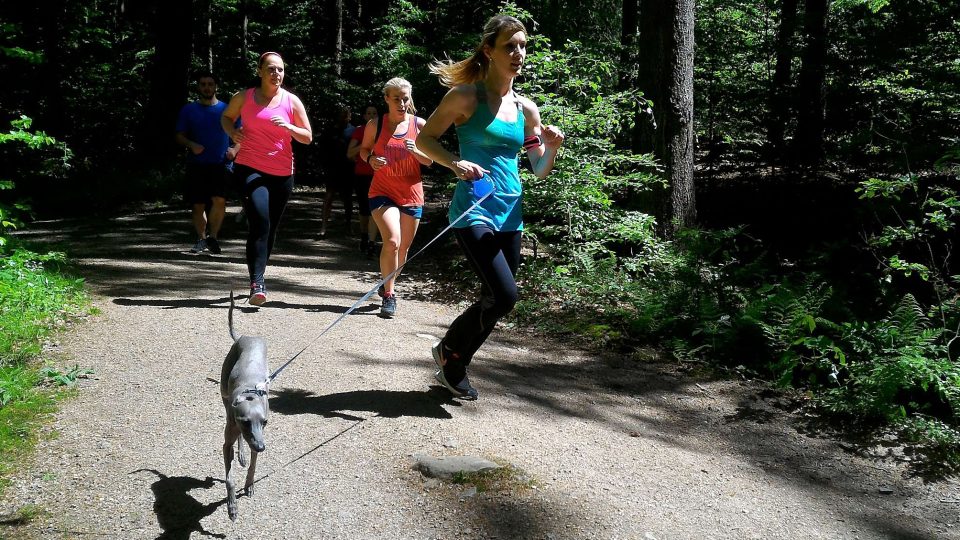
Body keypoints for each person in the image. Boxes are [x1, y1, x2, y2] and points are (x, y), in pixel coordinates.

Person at [417, 15, 565, 400]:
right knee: (504, 296)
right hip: (473, 211)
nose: (518, 54)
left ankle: (450, 355)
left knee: (495, 298)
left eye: (523, 46)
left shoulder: (526, 110)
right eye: (509, 46)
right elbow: (423, 140)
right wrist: (454, 162)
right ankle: (453, 356)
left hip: (510, 215)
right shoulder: (466, 97)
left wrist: (551, 148)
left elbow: (539, 170)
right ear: (489, 50)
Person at [220, 51, 313, 306]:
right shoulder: (245, 97)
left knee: (269, 228)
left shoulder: (291, 101)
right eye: (271, 69)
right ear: (260, 71)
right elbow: (226, 117)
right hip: (250, 166)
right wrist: (233, 132)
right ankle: (257, 283)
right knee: (260, 220)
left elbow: (307, 136)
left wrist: (289, 127)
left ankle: (259, 274)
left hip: (282, 172)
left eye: (280, 70)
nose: (276, 74)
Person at [358, 78, 433, 318]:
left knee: (403, 251)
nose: (402, 103)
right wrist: (370, 160)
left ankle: (386, 282)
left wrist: (416, 151)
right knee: (392, 241)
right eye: (397, 98)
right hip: (382, 191)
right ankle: (389, 296)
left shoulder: (419, 125)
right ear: (387, 99)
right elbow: (363, 150)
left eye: (405, 98)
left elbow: (430, 161)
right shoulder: (375, 125)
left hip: (411, 194)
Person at [175, 72, 238, 254]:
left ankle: (214, 238)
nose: (207, 87)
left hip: (221, 164)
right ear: (198, 87)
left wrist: (234, 150)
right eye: (203, 84)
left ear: (216, 86)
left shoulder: (228, 110)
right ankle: (201, 239)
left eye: (210, 84)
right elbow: (179, 135)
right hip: (197, 164)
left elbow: (241, 135)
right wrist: (191, 144)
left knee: (219, 199)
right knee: (198, 203)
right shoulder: (188, 110)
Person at [346, 104, 380, 255]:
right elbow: (349, 153)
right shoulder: (359, 131)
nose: (371, 116)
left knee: (376, 208)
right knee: (364, 209)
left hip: (379, 175)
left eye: (374, 113)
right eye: (369, 113)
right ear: (364, 116)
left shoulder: (383, 131)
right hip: (362, 175)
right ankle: (364, 236)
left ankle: (372, 243)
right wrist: (364, 147)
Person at [319, 105, 356, 238]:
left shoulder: (353, 131)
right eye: (341, 115)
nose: (344, 118)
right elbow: (322, 150)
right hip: (332, 169)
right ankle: (323, 226)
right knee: (328, 197)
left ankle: (348, 225)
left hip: (348, 170)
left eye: (346, 115)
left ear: (349, 116)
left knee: (347, 199)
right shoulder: (329, 131)